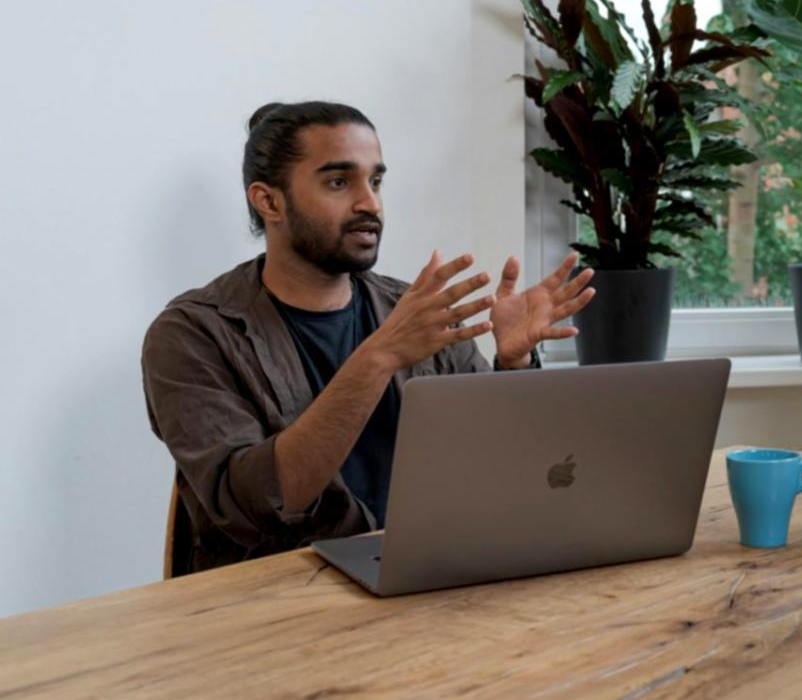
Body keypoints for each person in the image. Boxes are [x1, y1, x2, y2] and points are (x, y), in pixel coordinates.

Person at [143, 101, 595, 571]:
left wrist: (513, 365)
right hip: (278, 605)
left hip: (426, 575)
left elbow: (495, 470)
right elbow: (256, 509)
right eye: (339, 182)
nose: (370, 203)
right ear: (269, 201)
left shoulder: (418, 311)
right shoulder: (191, 335)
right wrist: (378, 356)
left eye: (375, 181)